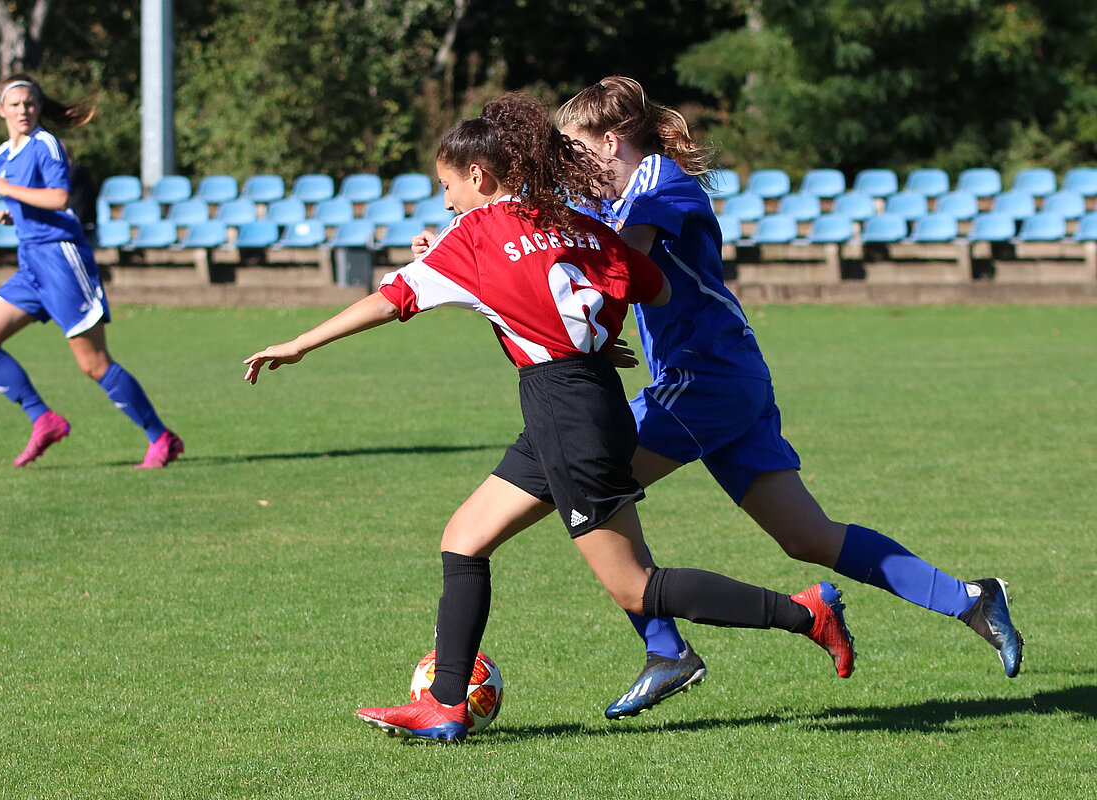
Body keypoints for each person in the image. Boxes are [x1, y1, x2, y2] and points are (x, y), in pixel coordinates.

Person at [243, 93, 855, 743]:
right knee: (464, 538)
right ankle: (446, 702)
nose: (446, 202)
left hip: (566, 412)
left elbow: (392, 298)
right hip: (583, 400)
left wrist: (299, 342)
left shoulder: (475, 233)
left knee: (634, 586)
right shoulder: (567, 220)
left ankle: (803, 613)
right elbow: (655, 285)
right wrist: (589, 337)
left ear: (478, 178)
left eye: (447, 188)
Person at [548, 76, 1023, 719]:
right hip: (722, 379)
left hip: (704, 383)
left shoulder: (656, 179)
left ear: (610, 141)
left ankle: (666, 649)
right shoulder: (619, 200)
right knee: (808, 536)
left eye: (574, 151)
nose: (570, 168)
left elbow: (621, 264)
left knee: (589, 485)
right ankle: (972, 599)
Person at [0, 73, 183, 469]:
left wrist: (9, 192)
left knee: (93, 364)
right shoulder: (2, 155)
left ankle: (161, 437)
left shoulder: (45, 143)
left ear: (38, 106)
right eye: (14, 105)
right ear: (1, 110)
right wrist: (11, 215)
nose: (23, 111)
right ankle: (44, 419)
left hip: (63, 261)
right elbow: (31, 203)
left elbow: (60, 197)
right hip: (31, 261)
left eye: (30, 103)